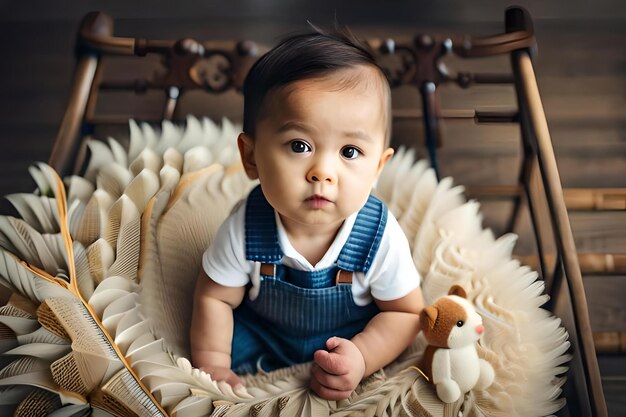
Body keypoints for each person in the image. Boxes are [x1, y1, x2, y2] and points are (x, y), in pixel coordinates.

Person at [190, 28, 424, 401]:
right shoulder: (244, 228)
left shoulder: (380, 237)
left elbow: (406, 314)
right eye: (300, 146)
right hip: (263, 337)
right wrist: (214, 362)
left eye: (349, 152)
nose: (322, 172)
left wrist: (362, 356)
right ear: (251, 157)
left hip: (346, 339)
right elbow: (215, 298)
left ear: (378, 167)